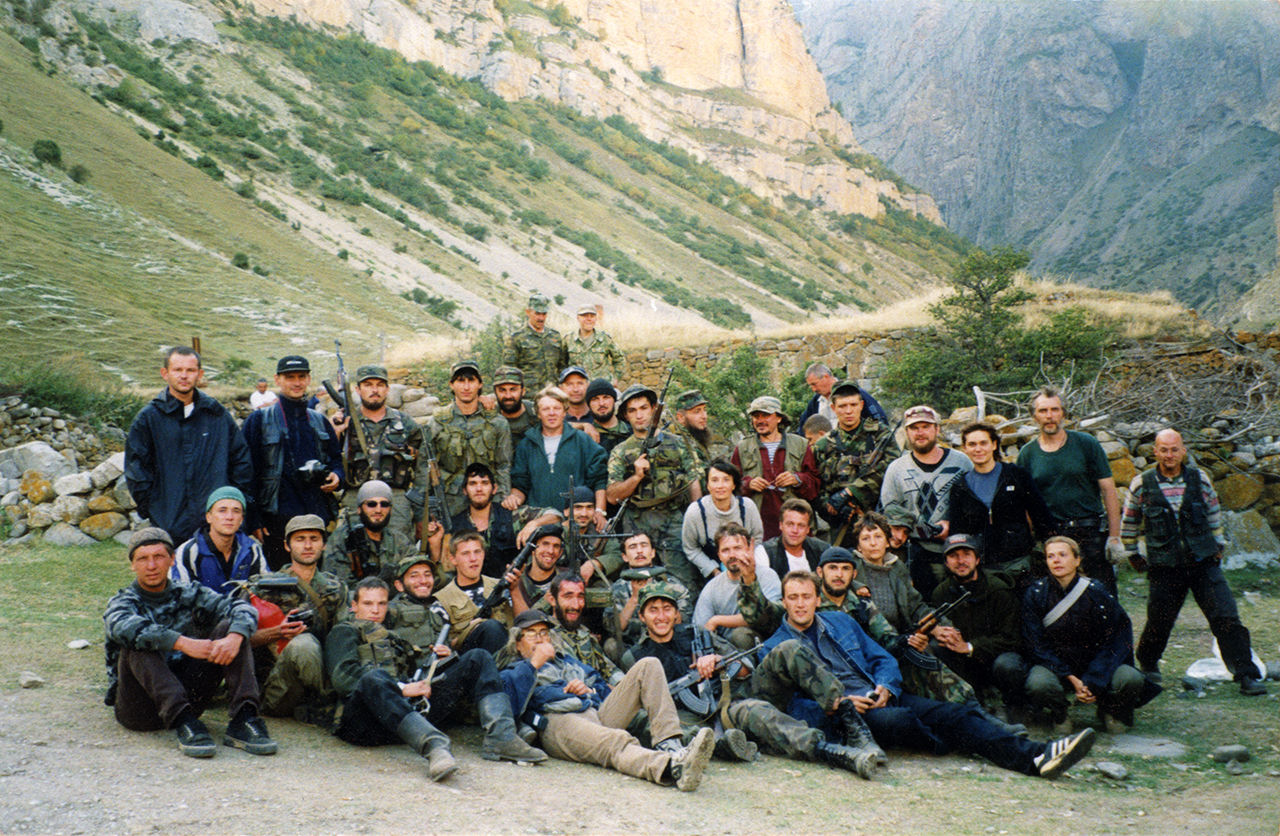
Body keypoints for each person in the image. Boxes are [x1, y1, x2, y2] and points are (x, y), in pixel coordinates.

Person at [753, 570, 1096, 779]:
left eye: (807, 596)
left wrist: (886, 685)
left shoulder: (841, 621)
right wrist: (839, 705)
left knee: (956, 713)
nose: (800, 604)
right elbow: (791, 706)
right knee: (902, 721)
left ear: (817, 599)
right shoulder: (775, 647)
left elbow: (882, 657)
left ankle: (1037, 756)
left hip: (884, 696)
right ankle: (951, 741)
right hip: (850, 717)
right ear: (783, 601)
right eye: (793, 598)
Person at [324, 577, 547, 781]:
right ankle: (435, 747)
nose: (375, 610)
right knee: (373, 677)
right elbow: (343, 678)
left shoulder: (394, 637)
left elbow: (415, 675)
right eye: (368, 604)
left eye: (381, 603)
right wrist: (402, 689)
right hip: (364, 723)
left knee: (478, 657)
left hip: (405, 718)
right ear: (354, 606)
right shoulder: (344, 632)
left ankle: (502, 736)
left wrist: (444, 662)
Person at [103, 528, 277, 758]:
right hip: (139, 709)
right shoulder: (122, 601)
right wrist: (182, 643)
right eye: (143, 559)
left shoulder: (190, 592)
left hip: (190, 699)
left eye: (159, 557)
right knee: (137, 643)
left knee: (231, 627)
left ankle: (244, 717)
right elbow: (122, 626)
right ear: (133, 565)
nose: (152, 566)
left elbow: (240, 607)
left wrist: (235, 637)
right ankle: (183, 721)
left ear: (172, 559)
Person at [497, 609, 716, 791]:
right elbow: (511, 705)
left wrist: (588, 689)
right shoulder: (512, 670)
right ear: (517, 643)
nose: (540, 639)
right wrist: (535, 665)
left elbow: (600, 684)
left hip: (593, 710)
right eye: (531, 634)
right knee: (616, 740)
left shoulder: (566, 660)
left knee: (649, 664)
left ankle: (671, 746)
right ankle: (671, 767)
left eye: (544, 633)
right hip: (558, 721)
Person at [1121, 429, 1268, 696]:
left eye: (1174, 449)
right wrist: (1132, 553)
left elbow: (1213, 512)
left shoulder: (1199, 479)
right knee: (1159, 619)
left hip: (1202, 562)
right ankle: (1149, 664)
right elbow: (1130, 521)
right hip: (1164, 565)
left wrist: (1219, 545)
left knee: (1226, 616)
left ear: (1183, 450)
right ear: (1155, 452)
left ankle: (1246, 675)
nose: (1169, 455)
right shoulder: (1141, 483)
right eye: (1163, 450)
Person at [1013, 537, 1159, 733]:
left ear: (1077, 560)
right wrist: (1069, 676)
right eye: (1050, 556)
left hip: (1095, 663)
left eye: (1063, 555)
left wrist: (1093, 679)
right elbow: (1036, 643)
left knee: (1130, 678)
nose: (1056, 561)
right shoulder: (1036, 594)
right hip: (1056, 665)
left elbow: (1116, 638)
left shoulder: (1096, 592)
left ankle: (1110, 710)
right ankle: (1060, 713)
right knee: (1038, 683)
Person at [125, 346, 253, 544]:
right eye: (178, 370)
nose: (184, 376)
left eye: (190, 370)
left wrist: (233, 504)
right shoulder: (149, 418)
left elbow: (241, 463)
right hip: (169, 526)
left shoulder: (216, 415)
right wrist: (155, 510)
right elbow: (136, 470)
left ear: (200, 374)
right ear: (165, 373)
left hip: (214, 529)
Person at [850, 513, 974, 705]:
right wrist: (854, 585)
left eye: (878, 537)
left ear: (887, 542)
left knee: (942, 650)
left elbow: (915, 606)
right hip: (872, 647)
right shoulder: (850, 568)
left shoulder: (897, 568)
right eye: (866, 539)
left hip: (903, 641)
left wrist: (938, 627)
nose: (873, 543)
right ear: (858, 546)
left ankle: (973, 708)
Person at [1016, 387, 1124, 596]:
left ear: (1064, 413)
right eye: (1043, 411)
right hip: (1051, 537)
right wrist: (1026, 543)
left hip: (1089, 533)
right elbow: (1025, 505)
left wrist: (1114, 537)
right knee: (1057, 600)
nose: (1049, 416)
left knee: (1102, 597)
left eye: (1055, 409)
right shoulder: (1027, 454)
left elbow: (1108, 489)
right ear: (1034, 416)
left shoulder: (1086, 443)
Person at [242, 355, 343, 569]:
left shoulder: (319, 421)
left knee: (315, 577)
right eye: (290, 377)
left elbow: (336, 460)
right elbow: (246, 472)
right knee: (280, 580)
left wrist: (336, 475)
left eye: (301, 377)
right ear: (277, 380)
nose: (296, 383)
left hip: (316, 518)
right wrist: (254, 519)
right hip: (276, 520)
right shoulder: (258, 420)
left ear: (308, 379)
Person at [248, 514, 350, 718]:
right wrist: (278, 632)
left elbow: (345, 637)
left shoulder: (336, 588)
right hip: (277, 688)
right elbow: (241, 640)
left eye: (314, 539)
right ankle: (338, 703)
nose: (308, 546)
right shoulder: (263, 587)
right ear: (287, 546)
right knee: (303, 644)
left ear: (324, 544)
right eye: (300, 539)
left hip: (320, 677)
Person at [607, 384, 703, 589]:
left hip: (674, 519)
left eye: (643, 408)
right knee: (639, 580)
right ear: (626, 415)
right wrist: (635, 477)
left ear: (653, 409)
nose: (639, 415)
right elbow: (612, 495)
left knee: (683, 580)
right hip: (637, 522)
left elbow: (694, 482)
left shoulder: (679, 443)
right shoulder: (620, 451)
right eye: (632, 410)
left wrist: (696, 520)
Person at [880, 405, 973, 600]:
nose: (920, 433)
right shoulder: (896, 469)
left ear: (937, 429)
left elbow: (975, 505)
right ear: (906, 432)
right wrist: (908, 527)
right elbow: (890, 509)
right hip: (917, 551)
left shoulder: (961, 462)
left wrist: (954, 523)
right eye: (914, 428)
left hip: (958, 549)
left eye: (926, 426)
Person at [948, 422, 1057, 587]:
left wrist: (1048, 552)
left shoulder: (1016, 475)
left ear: (994, 445)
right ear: (965, 448)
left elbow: (1041, 516)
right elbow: (957, 532)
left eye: (983, 443)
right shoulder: (960, 487)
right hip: (983, 569)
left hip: (1021, 564)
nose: (978, 449)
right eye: (972, 444)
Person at [331, 365, 429, 542]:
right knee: (353, 546)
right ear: (358, 390)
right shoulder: (346, 421)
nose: (374, 390)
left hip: (395, 496)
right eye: (368, 385)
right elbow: (331, 459)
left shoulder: (405, 422)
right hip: (356, 494)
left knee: (400, 546)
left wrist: (421, 512)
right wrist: (336, 433)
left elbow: (423, 465)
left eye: (380, 385)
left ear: (387, 390)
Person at [928, 534, 1025, 711]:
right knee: (935, 647)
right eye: (953, 556)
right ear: (946, 563)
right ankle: (966, 703)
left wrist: (970, 647)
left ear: (977, 559)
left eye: (967, 554)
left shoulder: (999, 590)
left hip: (994, 659)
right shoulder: (941, 593)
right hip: (963, 663)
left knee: (1008, 664)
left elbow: (1012, 639)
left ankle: (1015, 707)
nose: (961, 561)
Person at [811, 380, 899, 548]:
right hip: (841, 525)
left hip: (878, 520)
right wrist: (833, 510)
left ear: (861, 405)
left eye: (853, 404)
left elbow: (891, 469)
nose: (848, 411)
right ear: (833, 408)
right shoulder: (823, 445)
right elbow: (815, 486)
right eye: (842, 406)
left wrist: (852, 491)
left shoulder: (880, 435)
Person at [506, 387, 608, 518]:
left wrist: (599, 511)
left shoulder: (582, 441)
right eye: (545, 409)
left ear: (565, 412)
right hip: (539, 519)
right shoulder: (526, 445)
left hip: (576, 519)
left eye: (557, 408)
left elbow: (599, 479)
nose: (551, 413)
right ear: (538, 414)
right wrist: (514, 498)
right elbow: (520, 484)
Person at [430, 360, 513, 518]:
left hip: (487, 499)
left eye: (471, 381)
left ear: (480, 384)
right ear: (451, 385)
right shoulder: (437, 423)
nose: (466, 387)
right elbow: (426, 468)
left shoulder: (497, 422)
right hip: (450, 501)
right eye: (460, 381)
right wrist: (424, 512)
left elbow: (504, 465)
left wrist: (502, 500)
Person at [733, 396, 820, 541]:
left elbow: (815, 485)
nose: (760, 420)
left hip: (795, 526)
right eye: (756, 416)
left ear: (779, 418)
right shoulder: (742, 448)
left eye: (765, 415)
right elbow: (730, 486)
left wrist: (797, 479)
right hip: (758, 526)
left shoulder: (800, 444)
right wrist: (748, 484)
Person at [692, 523, 781, 649]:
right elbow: (701, 628)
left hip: (764, 645)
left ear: (749, 549)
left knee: (740, 635)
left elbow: (768, 616)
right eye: (725, 550)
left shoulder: (767, 575)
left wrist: (717, 620)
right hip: (726, 651)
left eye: (737, 548)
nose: (732, 555)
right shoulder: (712, 587)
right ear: (719, 555)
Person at [681, 460, 768, 587]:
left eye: (726, 480)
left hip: (745, 565)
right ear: (707, 485)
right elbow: (690, 548)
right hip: (710, 571)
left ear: (734, 485)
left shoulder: (747, 506)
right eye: (714, 480)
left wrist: (744, 564)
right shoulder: (695, 512)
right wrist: (714, 571)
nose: (720, 486)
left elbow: (757, 537)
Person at [607, 531, 693, 654]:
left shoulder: (673, 585)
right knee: (611, 645)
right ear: (624, 556)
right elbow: (615, 629)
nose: (639, 551)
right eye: (632, 547)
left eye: (644, 545)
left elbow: (682, 622)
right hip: (633, 647)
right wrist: (634, 598)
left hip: (667, 643)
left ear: (652, 552)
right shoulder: (617, 589)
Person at [173, 486, 268, 595]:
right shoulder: (187, 552)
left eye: (236, 511)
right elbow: (179, 598)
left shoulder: (252, 549)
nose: (229, 517)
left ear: (241, 519)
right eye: (222, 510)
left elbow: (265, 591)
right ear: (209, 517)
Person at [432, 532, 514, 655]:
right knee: (490, 626)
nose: (473, 559)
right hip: (469, 659)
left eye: (477, 552)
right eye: (465, 554)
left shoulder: (500, 586)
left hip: (508, 653)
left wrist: (515, 589)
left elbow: (520, 622)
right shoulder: (442, 600)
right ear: (453, 559)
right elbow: (439, 646)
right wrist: (470, 631)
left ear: (483, 554)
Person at [322, 480, 417, 584]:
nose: (378, 510)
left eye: (384, 504)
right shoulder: (342, 540)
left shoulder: (399, 540)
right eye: (371, 504)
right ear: (359, 509)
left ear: (390, 510)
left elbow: (417, 577)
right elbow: (333, 585)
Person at [440, 462, 518, 578]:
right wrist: (435, 543)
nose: (479, 489)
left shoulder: (510, 515)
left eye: (484, 483)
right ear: (465, 490)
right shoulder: (453, 526)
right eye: (473, 484)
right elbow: (445, 572)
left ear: (494, 489)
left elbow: (548, 516)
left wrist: (533, 523)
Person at [503, 292, 568, 389]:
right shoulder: (516, 338)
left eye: (544, 314)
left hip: (553, 393)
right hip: (529, 394)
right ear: (528, 312)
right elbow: (509, 371)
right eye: (537, 314)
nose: (541, 318)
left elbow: (562, 367)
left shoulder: (555, 336)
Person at [797, 363, 888, 429]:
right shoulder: (816, 401)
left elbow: (879, 419)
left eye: (814, 384)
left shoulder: (855, 393)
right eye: (811, 386)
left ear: (826, 377)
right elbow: (804, 426)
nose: (813, 389)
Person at [669, 390, 733, 479]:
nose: (704, 416)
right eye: (697, 411)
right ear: (681, 417)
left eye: (704, 410)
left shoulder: (694, 437)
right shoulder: (681, 443)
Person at [760, 498, 830, 579]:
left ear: (808, 529)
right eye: (790, 524)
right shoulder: (765, 552)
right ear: (781, 525)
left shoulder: (824, 550)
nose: (795, 530)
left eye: (801, 525)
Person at [563, 304, 626, 386]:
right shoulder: (569, 339)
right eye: (584, 316)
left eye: (592, 316)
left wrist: (616, 378)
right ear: (578, 318)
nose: (589, 319)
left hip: (600, 387)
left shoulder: (604, 338)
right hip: (578, 387)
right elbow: (561, 362)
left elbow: (619, 358)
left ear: (596, 318)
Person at [510, 524, 567, 614]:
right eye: (545, 544)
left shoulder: (567, 579)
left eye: (556, 546)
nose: (550, 551)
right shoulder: (517, 582)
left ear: (560, 553)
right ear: (532, 549)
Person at [585, 378, 631, 455]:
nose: (601, 403)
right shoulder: (585, 439)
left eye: (606, 397)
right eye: (595, 399)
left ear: (614, 401)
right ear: (589, 405)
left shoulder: (632, 432)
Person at [492, 365, 538, 441]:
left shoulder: (536, 413)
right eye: (502, 390)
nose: (508, 396)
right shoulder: (490, 414)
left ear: (523, 391)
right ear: (495, 392)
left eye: (513, 389)